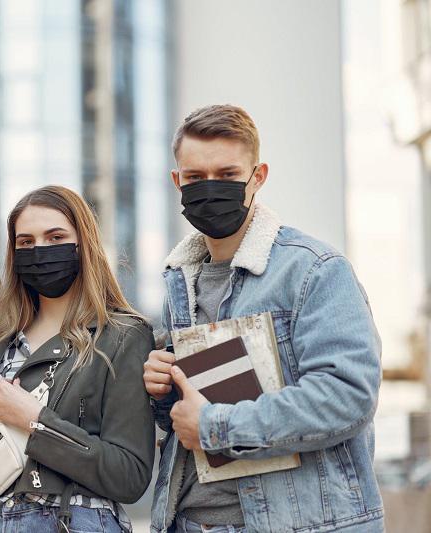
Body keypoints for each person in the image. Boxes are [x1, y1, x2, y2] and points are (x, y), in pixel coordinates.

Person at [143, 104, 383, 533]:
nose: (210, 188)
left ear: (259, 176)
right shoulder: (180, 285)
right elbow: (186, 426)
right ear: (177, 181)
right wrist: (164, 392)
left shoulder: (315, 270)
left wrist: (218, 426)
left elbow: (347, 395)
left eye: (228, 175)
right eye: (196, 178)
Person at [0, 186, 155, 533]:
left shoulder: (122, 336)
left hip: (71, 521)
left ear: (83, 244)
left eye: (55, 237)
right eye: (26, 242)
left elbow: (129, 474)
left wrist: (36, 423)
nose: (40, 251)